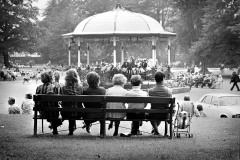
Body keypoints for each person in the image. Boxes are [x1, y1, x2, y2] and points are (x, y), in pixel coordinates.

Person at [36, 71, 62, 135]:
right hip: (53, 113)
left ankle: (54, 125)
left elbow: (37, 102)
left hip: (43, 112)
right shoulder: (54, 87)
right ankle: (55, 128)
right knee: (54, 108)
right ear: (50, 78)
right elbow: (57, 100)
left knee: (51, 108)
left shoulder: (38, 88)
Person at [60, 69, 84, 135]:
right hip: (78, 113)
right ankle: (72, 128)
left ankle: (71, 129)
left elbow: (61, 100)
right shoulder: (80, 87)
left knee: (69, 107)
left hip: (66, 113)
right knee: (74, 106)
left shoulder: (63, 88)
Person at [148, 71, 172, 136]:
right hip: (165, 114)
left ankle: (156, 131)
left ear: (155, 79)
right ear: (163, 78)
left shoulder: (151, 91)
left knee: (155, 111)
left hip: (153, 114)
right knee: (161, 109)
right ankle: (155, 131)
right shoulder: (168, 91)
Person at [83, 71, 106, 136]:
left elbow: (85, 104)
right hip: (101, 114)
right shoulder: (103, 90)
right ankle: (102, 132)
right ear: (98, 80)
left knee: (87, 110)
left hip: (88, 115)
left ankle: (87, 123)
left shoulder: (85, 91)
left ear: (88, 81)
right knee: (100, 109)